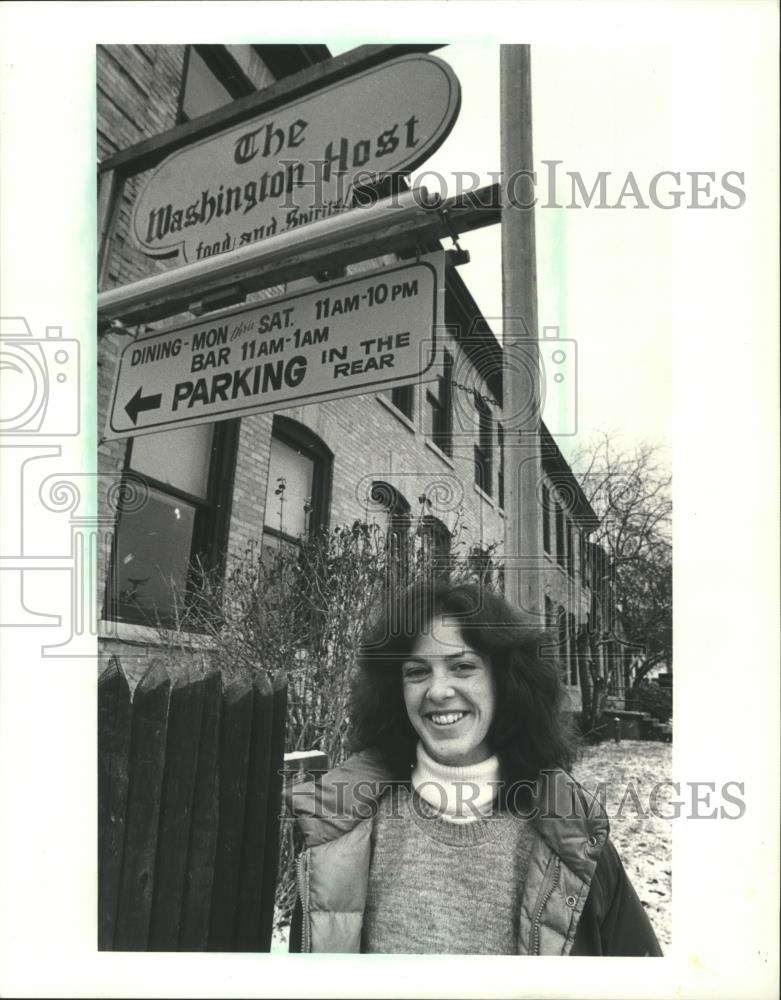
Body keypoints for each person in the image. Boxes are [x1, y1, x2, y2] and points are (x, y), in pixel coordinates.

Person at [288, 579, 662, 955]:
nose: (438, 691)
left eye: (463, 667)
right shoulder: (340, 836)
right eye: (416, 672)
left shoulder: (573, 837)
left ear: (505, 681)